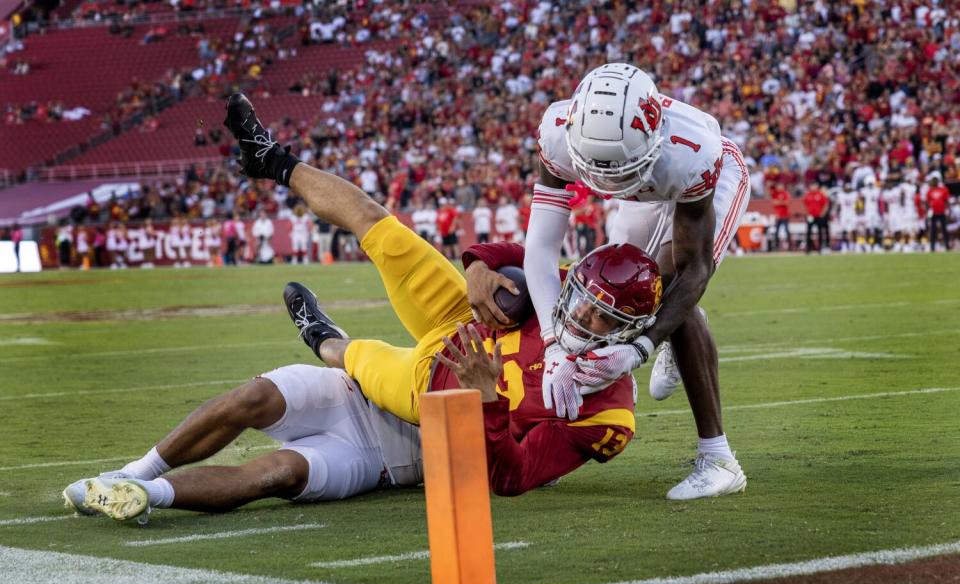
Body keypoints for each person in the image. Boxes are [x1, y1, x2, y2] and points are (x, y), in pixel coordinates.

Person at [62, 93, 664, 521]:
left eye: (602, 317)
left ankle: (324, 339)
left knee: (345, 361)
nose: (580, 317)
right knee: (385, 232)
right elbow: (525, 252)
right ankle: (271, 158)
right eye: (581, 300)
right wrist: (480, 261)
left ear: (632, 331)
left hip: (439, 394)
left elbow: (509, 478)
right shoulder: (566, 293)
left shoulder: (606, 419)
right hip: (465, 323)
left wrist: (483, 399)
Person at [494, 63, 750, 500]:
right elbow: (539, 247)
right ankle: (548, 434)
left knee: (668, 291)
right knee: (612, 293)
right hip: (648, 185)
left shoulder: (691, 155)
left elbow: (695, 269)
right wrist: (555, 343)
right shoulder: (558, 129)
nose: (608, 184)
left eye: (617, 170)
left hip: (701, 185)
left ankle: (720, 458)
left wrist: (639, 347)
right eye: (598, 171)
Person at [925, 174, 951, 252]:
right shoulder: (930, 191)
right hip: (933, 213)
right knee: (933, 230)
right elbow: (927, 202)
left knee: (944, 229)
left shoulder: (943, 190)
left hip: (942, 212)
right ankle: (932, 247)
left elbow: (946, 201)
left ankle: (947, 246)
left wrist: (947, 211)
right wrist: (928, 212)